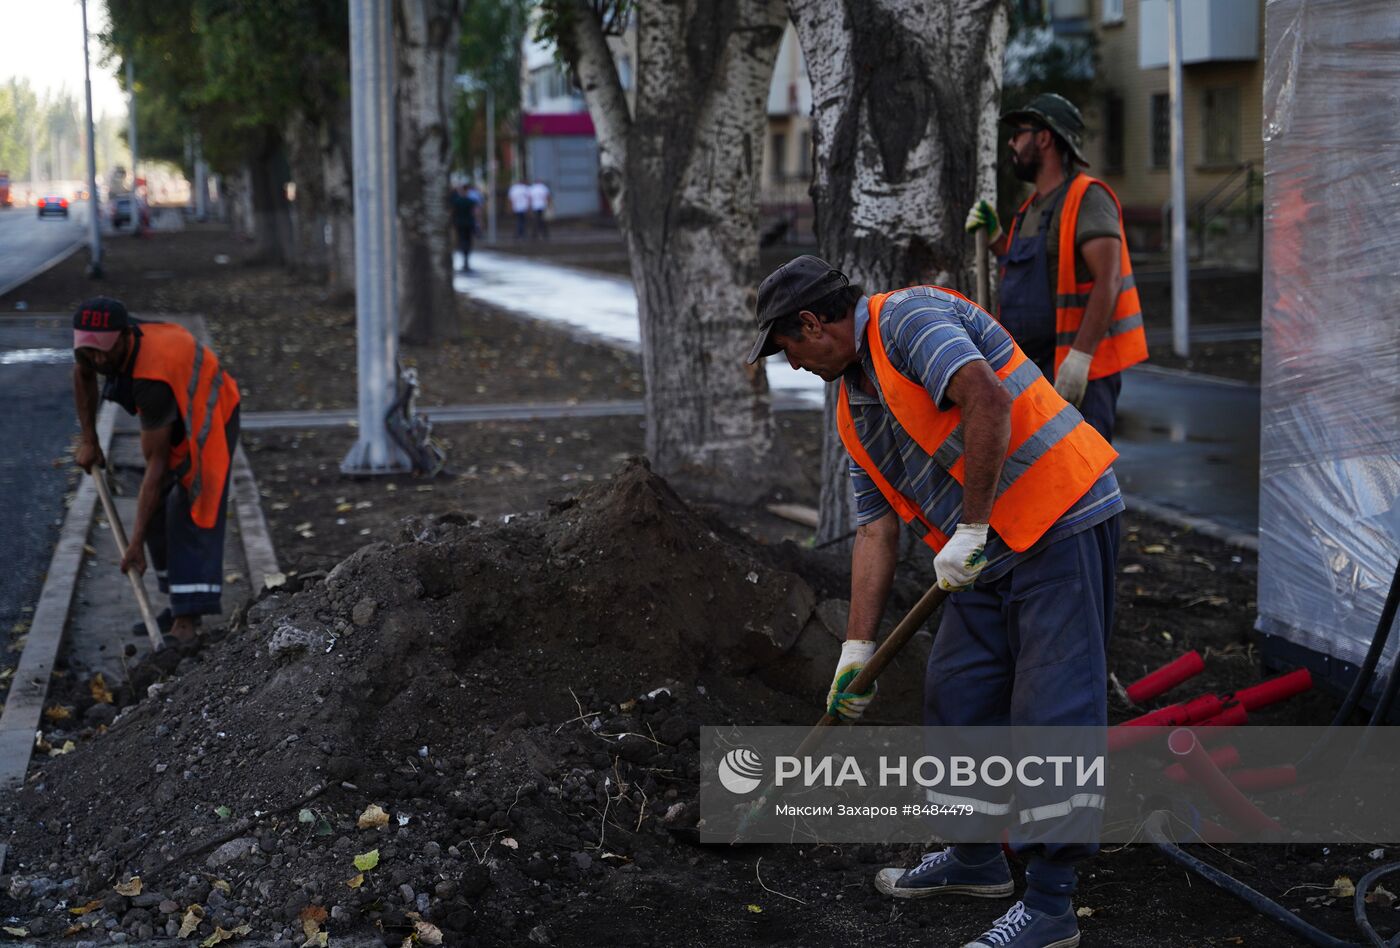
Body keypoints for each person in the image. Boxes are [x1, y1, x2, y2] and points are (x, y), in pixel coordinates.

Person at [746, 255, 1123, 948]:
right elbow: (874, 529)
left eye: (785, 348)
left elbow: (986, 397)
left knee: (1052, 710)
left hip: (1057, 519)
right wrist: (855, 653)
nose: (789, 364)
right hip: (984, 553)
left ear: (811, 323)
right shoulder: (853, 408)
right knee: (958, 692)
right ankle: (976, 858)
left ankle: (1050, 905)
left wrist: (971, 528)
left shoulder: (908, 319)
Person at [964, 93, 1148, 443]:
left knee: (1084, 481)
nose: (1012, 143)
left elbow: (1108, 280)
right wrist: (996, 238)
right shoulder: (1030, 208)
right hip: (1035, 369)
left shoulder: (1089, 198)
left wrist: (1080, 358)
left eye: (1019, 133)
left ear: (1044, 137)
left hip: (1079, 372)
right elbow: (1031, 271)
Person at [72, 297, 241, 648]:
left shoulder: (152, 379)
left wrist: (134, 545)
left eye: (105, 350)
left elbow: (157, 467)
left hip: (210, 413)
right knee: (158, 510)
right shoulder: (92, 350)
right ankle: (176, 601)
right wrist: (89, 440)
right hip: (175, 411)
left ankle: (188, 618)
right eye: (92, 352)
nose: (99, 359)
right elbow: (84, 375)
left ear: (126, 336)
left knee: (192, 506)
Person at [449, 182, 479, 272]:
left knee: (462, 241)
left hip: (460, 224)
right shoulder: (470, 201)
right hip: (469, 223)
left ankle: (465, 259)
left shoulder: (457, 201)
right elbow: (476, 213)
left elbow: (452, 213)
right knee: (468, 241)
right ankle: (466, 260)